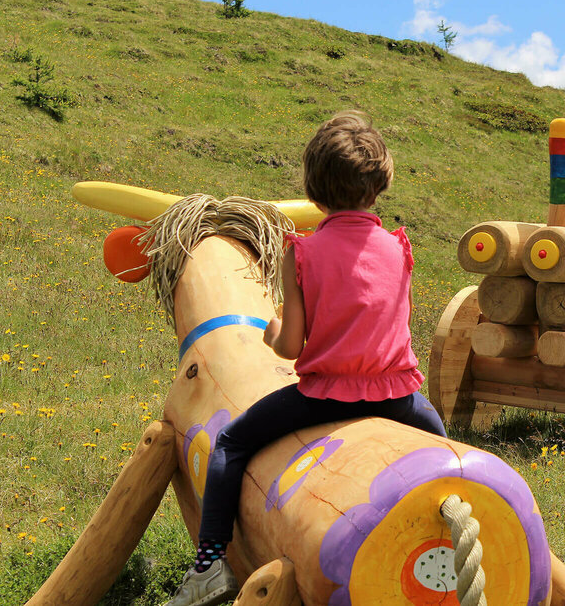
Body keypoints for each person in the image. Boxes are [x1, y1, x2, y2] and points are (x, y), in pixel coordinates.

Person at [165, 111, 447, 606]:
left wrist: (272, 330)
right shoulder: (398, 248)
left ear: (314, 190)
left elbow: (291, 347)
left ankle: (209, 565)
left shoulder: (303, 254)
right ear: (380, 185)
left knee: (230, 443)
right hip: (397, 397)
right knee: (443, 446)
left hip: (326, 397)